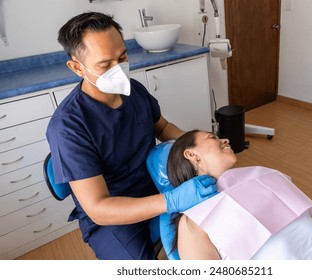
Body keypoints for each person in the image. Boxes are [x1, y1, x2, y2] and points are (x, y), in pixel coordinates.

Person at [46, 12, 217, 260]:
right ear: (76, 67)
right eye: (105, 65)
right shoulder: (68, 126)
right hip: (111, 214)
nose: (119, 69)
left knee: (214, 223)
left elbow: (164, 127)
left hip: (153, 183)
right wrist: (171, 201)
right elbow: (98, 208)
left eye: (123, 57)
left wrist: (198, 144)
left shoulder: (133, 90)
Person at [165, 130, 312, 260]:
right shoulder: (193, 223)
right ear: (192, 154)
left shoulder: (264, 178)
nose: (225, 139)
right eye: (212, 137)